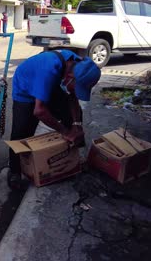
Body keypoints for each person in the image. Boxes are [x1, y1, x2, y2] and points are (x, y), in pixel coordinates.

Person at [8, 50, 101, 190]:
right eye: (77, 87)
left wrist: (76, 124)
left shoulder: (76, 64)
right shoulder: (49, 69)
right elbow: (39, 111)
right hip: (25, 88)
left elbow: (72, 96)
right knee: (21, 132)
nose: (77, 91)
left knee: (73, 115)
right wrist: (64, 132)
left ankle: (71, 159)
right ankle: (15, 171)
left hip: (51, 83)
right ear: (69, 77)